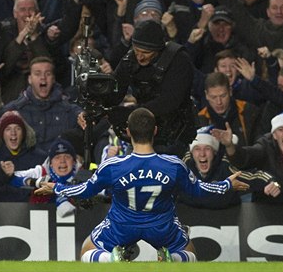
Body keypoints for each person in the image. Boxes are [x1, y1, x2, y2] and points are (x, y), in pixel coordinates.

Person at [34, 108, 249, 262]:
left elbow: (87, 189)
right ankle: (172, 258)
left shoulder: (113, 165)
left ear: (127, 131)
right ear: (155, 131)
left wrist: (56, 188)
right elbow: (198, 189)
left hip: (122, 225)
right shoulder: (173, 165)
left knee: (87, 250)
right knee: (190, 252)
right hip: (161, 226)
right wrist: (226, 185)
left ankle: (111, 259)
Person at [109, 20, 196, 157]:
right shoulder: (130, 59)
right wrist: (97, 111)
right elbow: (114, 90)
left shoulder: (179, 60)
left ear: (158, 50)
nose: (140, 56)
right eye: (136, 50)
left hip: (174, 136)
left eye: (145, 52)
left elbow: (169, 102)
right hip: (142, 134)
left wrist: (129, 114)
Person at [0, 56, 83, 154]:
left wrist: (84, 117)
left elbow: (82, 118)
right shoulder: (16, 108)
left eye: (47, 74)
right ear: (30, 79)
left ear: (53, 79)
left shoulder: (68, 109)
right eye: (37, 74)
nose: (43, 78)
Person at [180, 126, 280, 208]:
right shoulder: (184, 165)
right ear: (191, 152)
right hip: (190, 218)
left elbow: (254, 176)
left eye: (207, 148)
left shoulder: (225, 166)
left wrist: (272, 182)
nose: (202, 154)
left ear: (214, 152)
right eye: (197, 149)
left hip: (227, 219)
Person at [12, 138, 83, 217]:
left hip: (78, 222)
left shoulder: (82, 173)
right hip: (39, 220)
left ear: (74, 161)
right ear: (51, 163)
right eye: (57, 157)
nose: (62, 161)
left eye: (67, 157)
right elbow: (11, 177)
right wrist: (33, 182)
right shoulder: (41, 172)